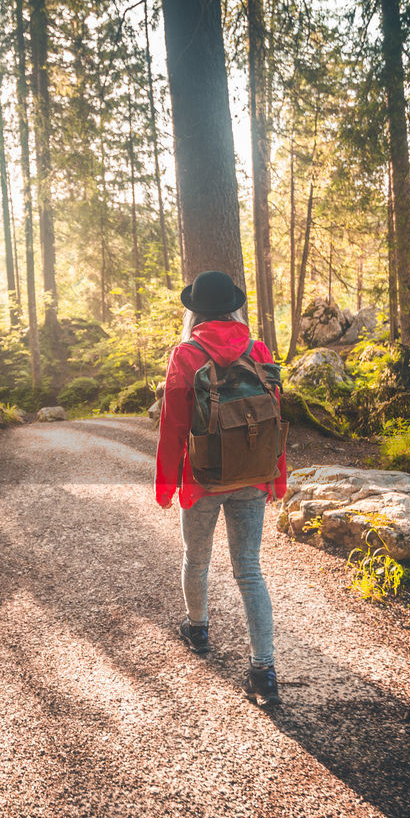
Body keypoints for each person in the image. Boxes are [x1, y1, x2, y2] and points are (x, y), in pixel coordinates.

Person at [154, 270, 288, 706]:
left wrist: (166, 485)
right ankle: (263, 671)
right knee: (249, 569)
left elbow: (173, 426)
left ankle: (197, 630)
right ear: (232, 308)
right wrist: (277, 475)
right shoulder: (257, 349)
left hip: (202, 479)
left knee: (196, 558)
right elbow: (273, 420)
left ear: (195, 311)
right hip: (252, 475)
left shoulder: (186, 354)